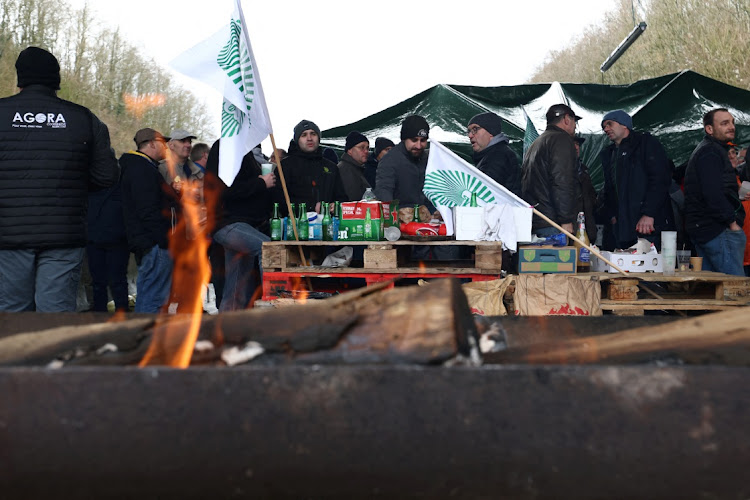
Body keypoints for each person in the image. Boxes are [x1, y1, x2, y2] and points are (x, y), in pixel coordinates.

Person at [0, 46, 119, 312]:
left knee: (11, 311)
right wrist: (72, 183)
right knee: (55, 311)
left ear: (20, 79)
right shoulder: (83, 118)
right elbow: (107, 176)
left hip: (7, 233)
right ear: (57, 80)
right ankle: (54, 354)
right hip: (64, 232)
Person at [207, 140, 275, 311]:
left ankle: (227, 330)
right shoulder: (226, 146)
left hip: (243, 223)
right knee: (269, 249)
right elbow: (224, 190)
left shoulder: (247, 149)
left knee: (236, 288)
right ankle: (272, 307)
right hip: (227, 222)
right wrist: (260, 183)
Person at [120, 128, 179, 313]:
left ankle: (147, 337)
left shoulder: (142, 167)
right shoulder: (141, 168)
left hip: (148, 242)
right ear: (152, 143)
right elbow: (147, 208)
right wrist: (163, 240)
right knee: (154, 298)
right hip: (154, 244)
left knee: (151, 295)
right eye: (163, 143)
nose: (167, 147)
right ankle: (149, 339)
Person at [599, 109, 674, 250]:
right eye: (604, 126)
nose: (606, 129)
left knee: (650, 267)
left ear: (624, 124)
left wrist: (649, 213)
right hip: (622, 228)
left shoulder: (645, 143)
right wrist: (613, 215)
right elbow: (609, 188)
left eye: (609, 124)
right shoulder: (608, 154)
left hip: (647, 226)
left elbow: (660, 179)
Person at [684, 108, 745, 275]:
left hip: (707, 227)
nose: (731, 127)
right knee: (734, 288)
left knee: (712, 286)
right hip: (716, 228)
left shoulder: (712, 150)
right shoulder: (710, 151)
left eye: (732, 122)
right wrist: (732, 223)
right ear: (709, 129)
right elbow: (712, 193)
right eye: (724, 123)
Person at [521, 103, 581, 236]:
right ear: (566, 119)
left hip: (536, 219)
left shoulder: (537, 143)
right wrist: (565, 219)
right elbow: (561, 180)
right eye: (574, 121)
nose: (575, 126)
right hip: (553, 222)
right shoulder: (561, 140)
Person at [87, 152, 130, 312]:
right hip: (111, 238)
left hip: (100, 237)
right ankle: (119, 313)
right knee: (114, 281)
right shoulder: (120, 183)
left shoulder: (91, 183)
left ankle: (108, 313)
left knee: (102, 281)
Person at [275, 120, 347, 214]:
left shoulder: (331, 167)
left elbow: (342, 197)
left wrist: (336, 205)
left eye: (313, 134)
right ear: (297, 140)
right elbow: (278, 200)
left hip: (327, 223)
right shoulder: (285, 167)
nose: (309, 138)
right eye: (304, 135)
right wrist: (311, 206)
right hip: (295, 224)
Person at [374, 115, 431, 206]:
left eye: (423, 140)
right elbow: (384, 190)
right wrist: (393, 214)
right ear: (404, 139)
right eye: (414, 140)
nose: (418, 146)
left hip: (428, 216)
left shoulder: (428, 158)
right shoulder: (390, 160)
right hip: (401, 216)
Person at [467, 112, 521, 197]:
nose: (470, 135)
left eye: (475, 129)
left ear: (491, 132)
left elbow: (483, 191)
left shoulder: (499, 155)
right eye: (469, 131)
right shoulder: (490, 154)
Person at [574, 136, 598, 244]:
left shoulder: (583, 169)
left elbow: (591, 196)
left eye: (578, 144)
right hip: (569, 227)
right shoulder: (560, 169)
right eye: (573, 144)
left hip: (586, 227)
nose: (576, 147)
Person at [338, 131, 371, 200]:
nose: (366, 151)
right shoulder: (346, 169)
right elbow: (353, 200)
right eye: (362, 147)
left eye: (367, 148)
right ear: (349, 150)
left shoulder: (355, 168)